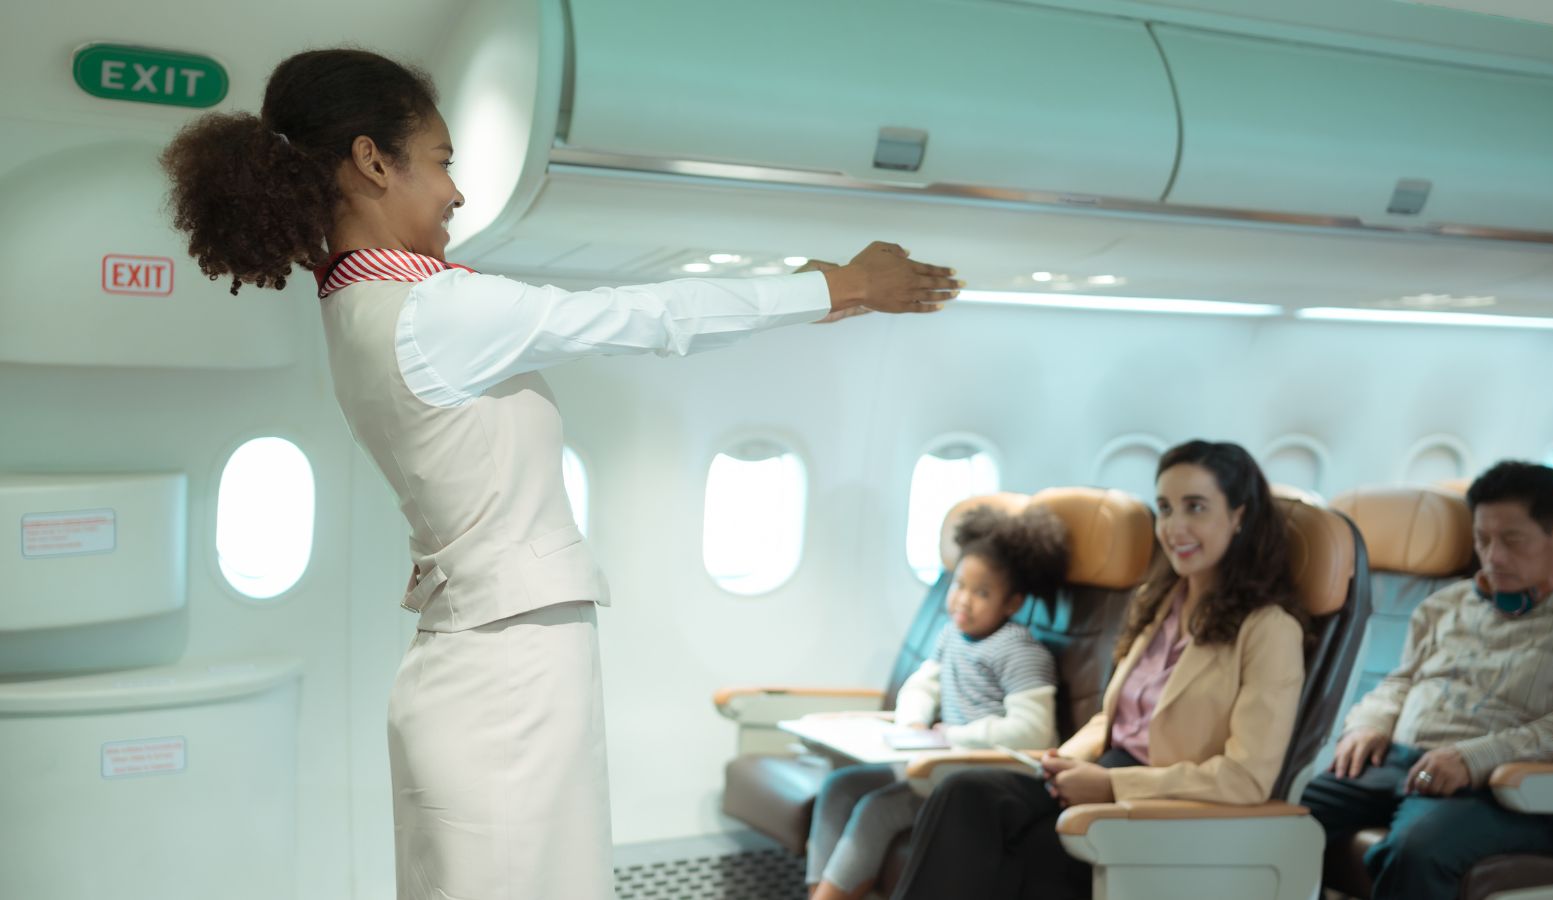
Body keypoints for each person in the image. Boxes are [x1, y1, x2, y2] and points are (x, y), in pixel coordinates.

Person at [159, 48, 961, 900]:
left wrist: (817, 291)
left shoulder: (360, 305)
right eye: (442, 162)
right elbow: (645, 316)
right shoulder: (433, 311)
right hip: (506, 679)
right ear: (371, 161)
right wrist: (843, 284)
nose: (456, 192)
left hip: (484, 667)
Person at [890, 440, 1307, 900]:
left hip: (1166, 809)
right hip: (1099, 776)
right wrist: (1064, 760)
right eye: (1165, 508)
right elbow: (1116, 719)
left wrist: (1111, 785)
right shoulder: (1162, 603)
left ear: (1239, 516)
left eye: (1196, 507)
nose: (1175, 527)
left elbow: (1245, 778)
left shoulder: (1269, 630)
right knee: (963, 795)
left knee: (1023, 854)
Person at [1301, 460, 1553, 900]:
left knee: (1415, 850)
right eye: (1483, 540)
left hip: (1506, 790)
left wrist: (1473, 758)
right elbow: (1401, 681)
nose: (1493, 556)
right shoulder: (1446, 605)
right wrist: (1370, 724)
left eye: (1512, 541)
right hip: (1398, 763)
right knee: (1286, 814)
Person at [807, 505, 1068, 900]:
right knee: (840, 787)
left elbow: (1034, 730)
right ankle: (815, 892)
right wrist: (912, 724)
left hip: (978, 774)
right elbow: (923, 685)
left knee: (875, 811)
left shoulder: (1020, 651)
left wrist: (958, 736)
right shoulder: (953, 636)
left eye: (982, 593)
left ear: (1012, 603)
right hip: (939, 763)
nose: (964, 600)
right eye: (959, 585)